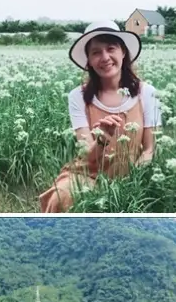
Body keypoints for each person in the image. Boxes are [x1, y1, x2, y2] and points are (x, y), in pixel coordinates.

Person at [39, 20, 162, 213]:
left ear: (123, 52)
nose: (105, 57)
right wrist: (102, 139)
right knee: (62, 196)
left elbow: (149, 151)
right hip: (88, 175)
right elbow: (87, 155)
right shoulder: (78, 96)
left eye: (111, 49)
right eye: (96, 52)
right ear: (88, 60)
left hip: (132, 176)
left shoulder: (147, 93)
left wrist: (130, 185)